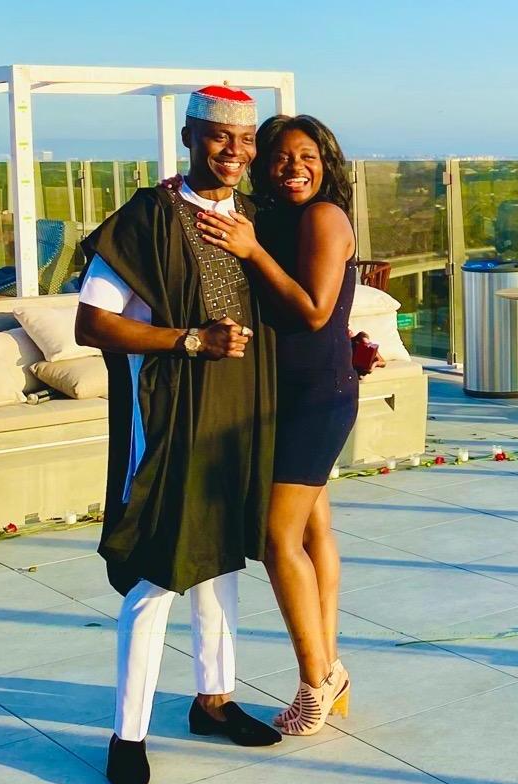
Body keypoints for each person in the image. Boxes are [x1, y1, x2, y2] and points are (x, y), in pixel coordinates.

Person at [74, 85, 281, 784]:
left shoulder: (253, 218)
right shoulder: (146, 218)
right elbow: (92, 324)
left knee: (220, 560)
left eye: (246, 139)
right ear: (191, 136)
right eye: (220, 136)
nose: (234, 151)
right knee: (159, 570)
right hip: (167, 414)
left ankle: (214, 701)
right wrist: (191, 340)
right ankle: (127, 733)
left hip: (237, 414)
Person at [195, 114, 367, 736]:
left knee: (276, 537)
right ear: (263, 165)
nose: (295, 167)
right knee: (314, 530)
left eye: (308, 157)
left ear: (326, 164)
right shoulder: (271, 218)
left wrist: (252, 251)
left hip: (316, 398)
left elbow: (315, 311)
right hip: (285, 393)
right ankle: (331, 668)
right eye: (281, 157)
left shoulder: (324, 217)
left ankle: (315, 683)